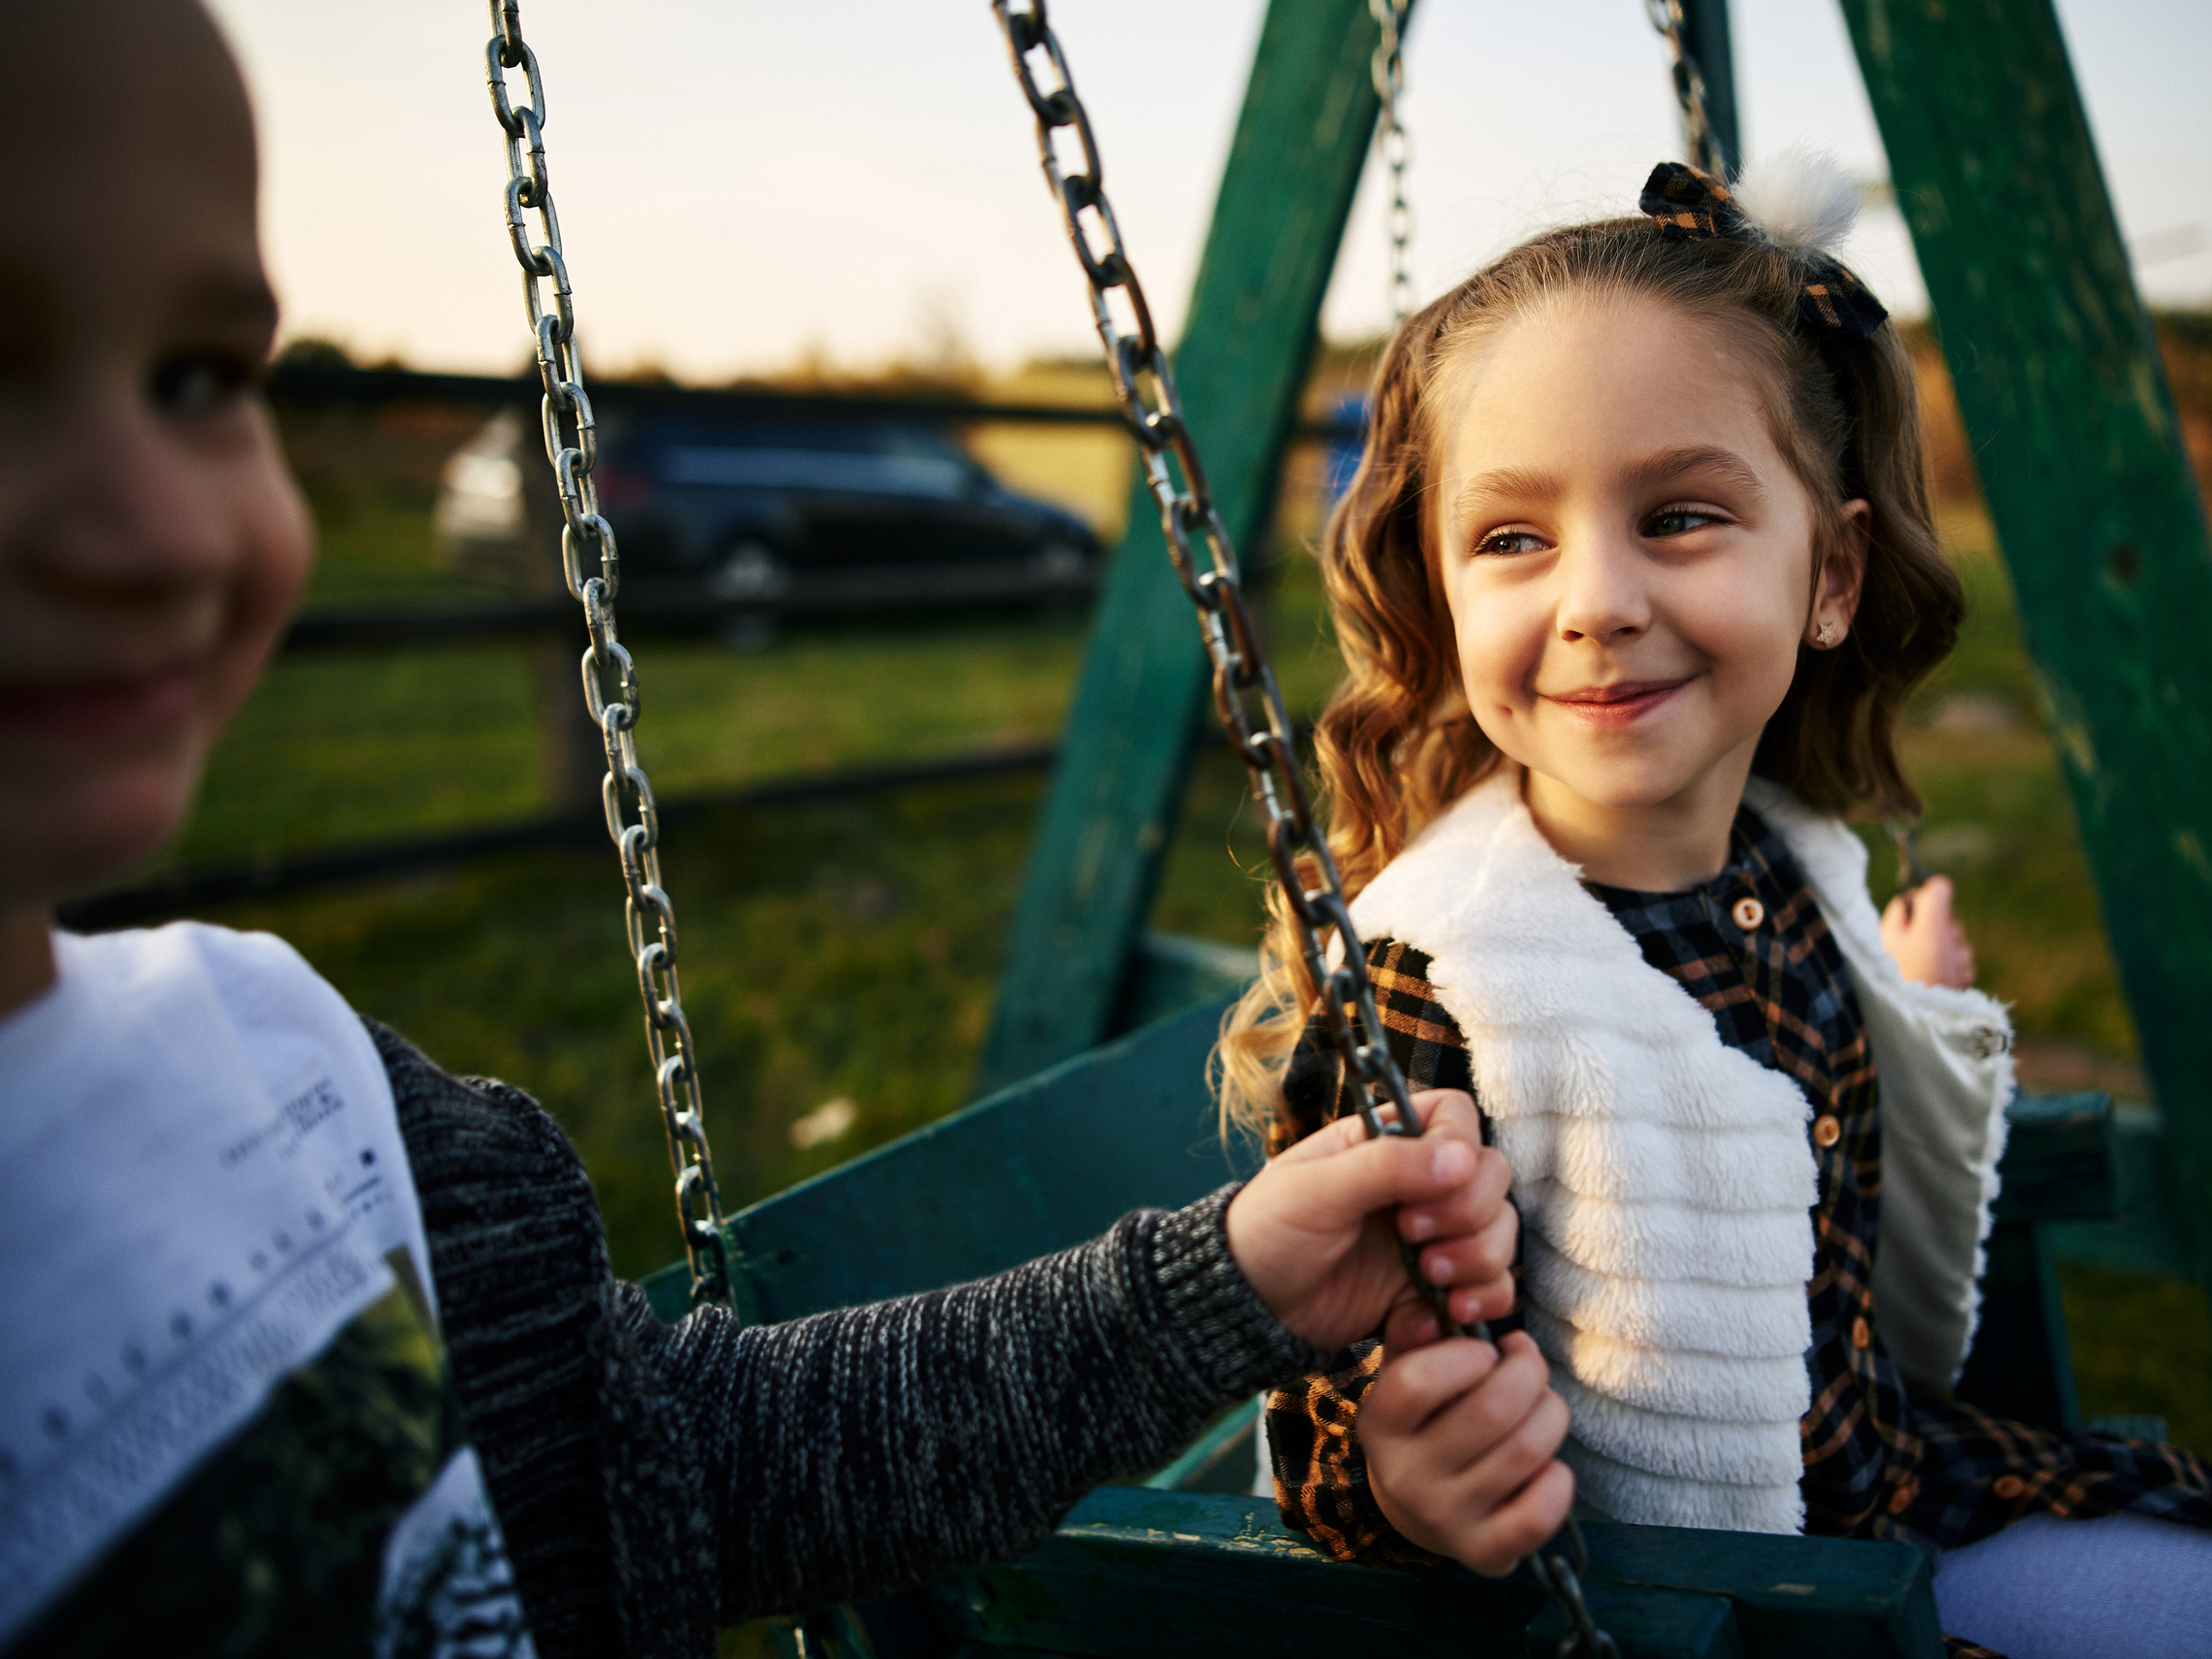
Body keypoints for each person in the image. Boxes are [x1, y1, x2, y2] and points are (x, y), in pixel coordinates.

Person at [0, 4, 1533, 1655]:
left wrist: (1219, 1285)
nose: (155, 526)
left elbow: (688, 1471)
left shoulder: (313, 1088)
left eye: (199, 378)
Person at [1216, 154, 2212, 1658]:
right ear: (1445, 590)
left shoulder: (1792, 865)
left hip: (1889, 1482)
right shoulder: (1441, 974)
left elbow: (1755, 1091)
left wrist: (1891, 997)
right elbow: (1313, 1373)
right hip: (1697, 1611)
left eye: (1680, 516)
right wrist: (1396, 1466)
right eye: (1513, 537)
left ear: (1832, 574)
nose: (1593, 596)